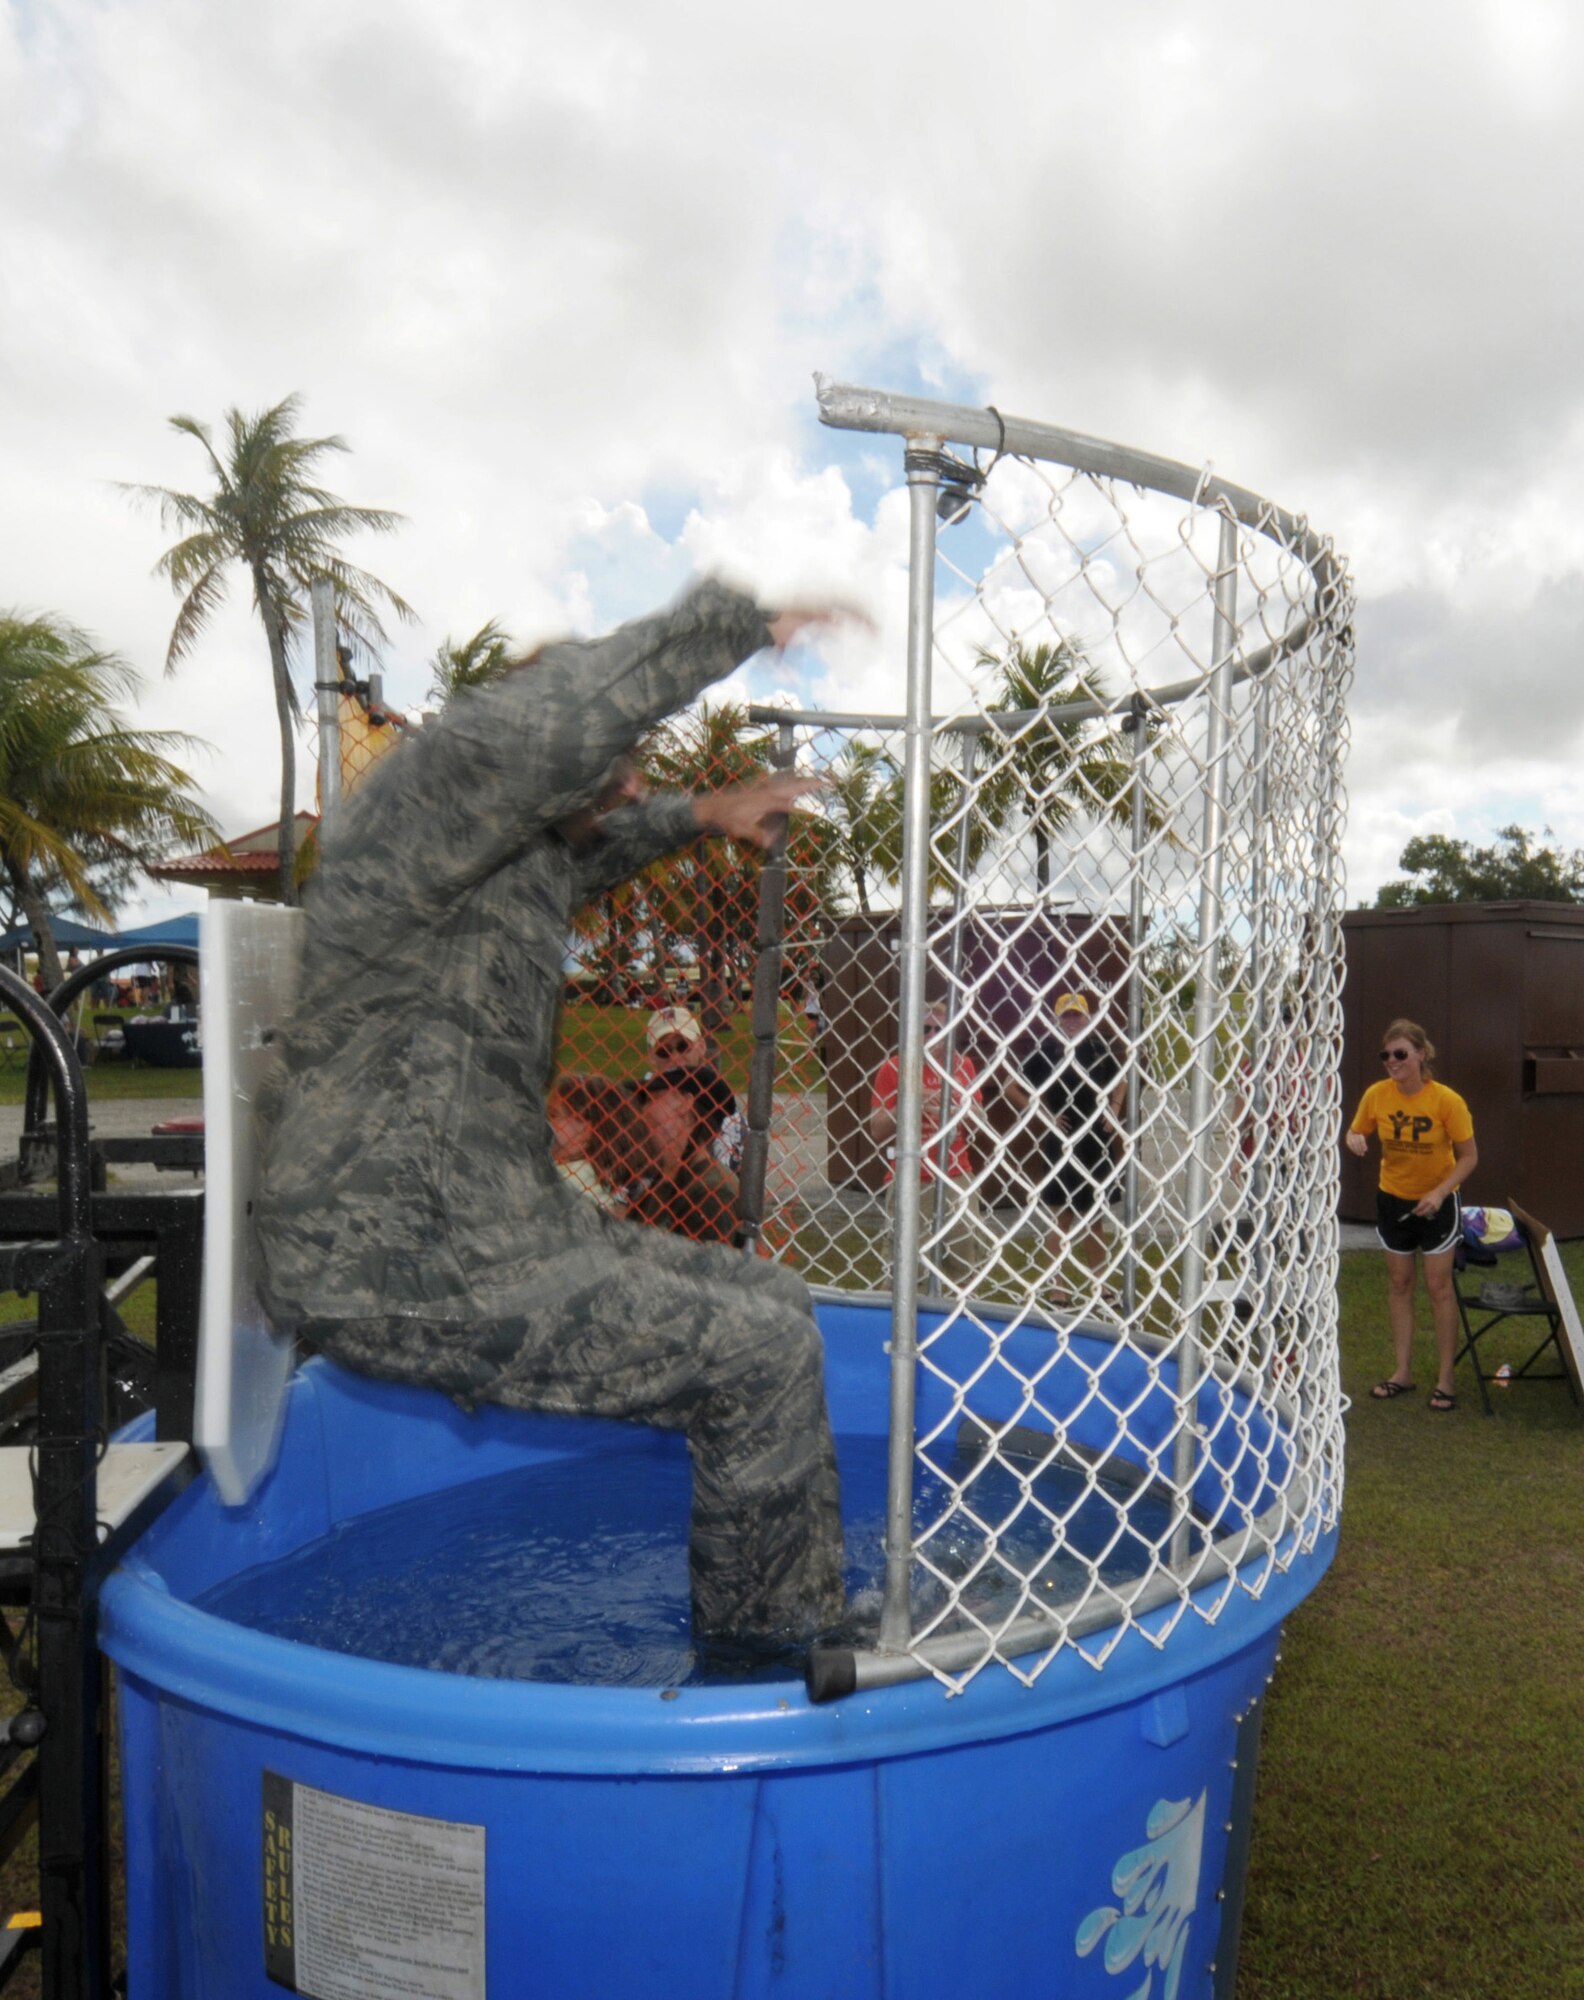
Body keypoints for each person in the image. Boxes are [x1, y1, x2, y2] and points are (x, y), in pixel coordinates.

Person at [255, 580, 850, 1647]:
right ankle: (768, 1662)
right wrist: (741, 625)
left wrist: (701, 812)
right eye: (613, 758)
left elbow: (592, 847)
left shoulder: (502, 853)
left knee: (778, 1300)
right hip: (399, 1250)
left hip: (484, 1218)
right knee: (754, 1355)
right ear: (536, 747)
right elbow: (568, 721)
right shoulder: (436, 790)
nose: (629, 777)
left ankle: (809, 1606)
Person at [1346, 1019, 1477, 1412]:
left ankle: (1446, 1380)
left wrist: (1439, 1192)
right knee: (1400, 1284)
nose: (1392, 1061)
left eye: (1400, 1054)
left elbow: (1469, 1157)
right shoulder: (1376, 1095)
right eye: (1386, 1055)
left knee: (1438, 1288)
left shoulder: (1446, 1101)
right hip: (1394, 1201)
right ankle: (1402, 1372)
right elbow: (1357, 1132)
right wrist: (1353, 1139)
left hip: (1438, 1203)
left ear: (1421, 1054)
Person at [1005, 991, 1127, 1306]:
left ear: (1088, 1018)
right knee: (1062, 1216)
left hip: (1095, 1141)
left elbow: (1122, 1079)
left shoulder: (1099, 1049)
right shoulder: (1046, 1051)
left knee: (1093, 1218)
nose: (1072, 1021)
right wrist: (1046, 1118)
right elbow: (1010, 1085)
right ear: (1057, 1019)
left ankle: (1100, 1285)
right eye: (1066, 1016)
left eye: (1077, 1015)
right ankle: (1057, 1289)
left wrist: (1113, 1107)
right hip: (1063, 1141)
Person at [869, 998, 985, 1286]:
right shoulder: (894, 1068)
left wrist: (961, 1108)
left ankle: (956, 1318)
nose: (933, 1036)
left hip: (957, 1174)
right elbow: (877, 1130)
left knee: (964, 1259)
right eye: (926, 1028)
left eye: (940, 1030)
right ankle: (900, 1322)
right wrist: (912, 1102)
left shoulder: (963, 1065)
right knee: (907, 1265)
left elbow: (980, 1122)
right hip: (911, 1174)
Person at [646, 1005, 744, 1176]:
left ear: (701, 1046)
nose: (675, 1058)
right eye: (664, 1051)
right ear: (651, 1057)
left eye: (683, 1046)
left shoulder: (723, 1106)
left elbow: (727, 1176)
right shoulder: (638, 1102)